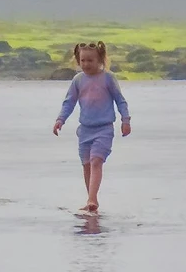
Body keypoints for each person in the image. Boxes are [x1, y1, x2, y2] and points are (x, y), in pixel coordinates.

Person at [50, 40, 132, 214]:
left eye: (90, 61)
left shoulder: (108, 78)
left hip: (104, 128)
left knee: (96, 161)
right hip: (85, 129)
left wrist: (126, 120)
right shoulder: (78, 80)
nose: (86, 64)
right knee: (86, 165)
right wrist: (60, 119)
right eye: (82, 61)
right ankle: (90, 201)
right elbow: (69, 102)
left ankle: (92, 199)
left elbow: (120, 100)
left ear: (100, 60)